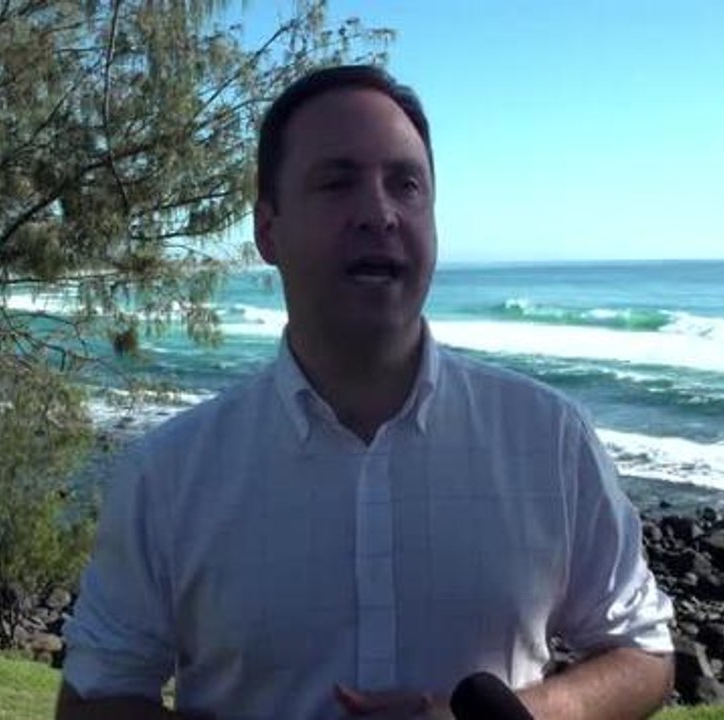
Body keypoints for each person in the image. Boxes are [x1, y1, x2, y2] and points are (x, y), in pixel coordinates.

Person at [56, 65, 674, 720]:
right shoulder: (168, 475)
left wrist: (526, 716)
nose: (379, 213)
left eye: (406, 185)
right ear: (267, 230)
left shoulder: (550, 440)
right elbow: (98, 696)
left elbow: (643, 655)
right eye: (336, 182)